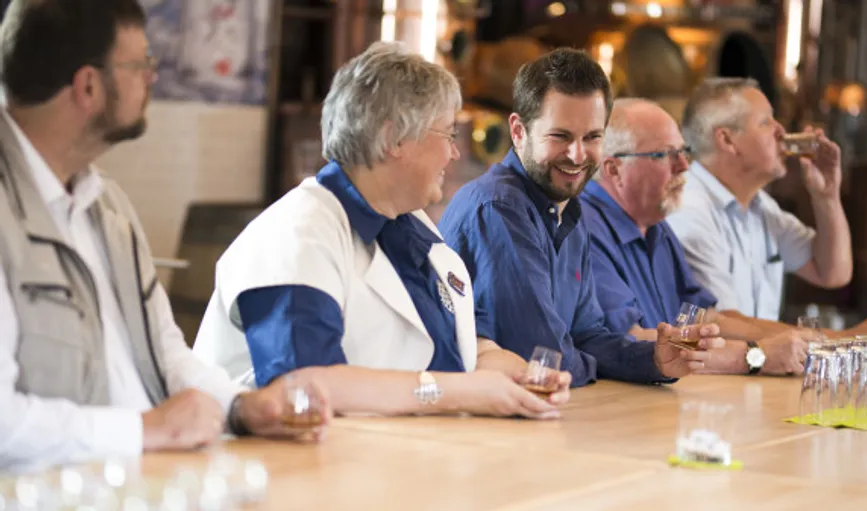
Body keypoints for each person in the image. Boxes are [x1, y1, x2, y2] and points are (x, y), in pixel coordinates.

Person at [0, 0, 329, 473]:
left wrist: (242, 406)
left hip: (145, 479)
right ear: (88, 86)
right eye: (140, 65)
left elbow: (164, 351)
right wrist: (146, 430)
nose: (152, 78)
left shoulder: (107, 204)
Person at [193, 42, 571, 420]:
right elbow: (303, 385)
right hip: (292, 467)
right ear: (394, 140)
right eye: (448, 134)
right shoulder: (297, 235)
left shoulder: (411, 225)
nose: (454, 154)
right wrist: (458, 392)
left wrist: (512, 374)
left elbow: (454, 353)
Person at [437, 48, 724, 387]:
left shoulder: (569, 209)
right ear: (518, 131)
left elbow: (588, 335)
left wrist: (654, 360)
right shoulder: (499, 207)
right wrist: (592, 363)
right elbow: (543, 356)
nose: (576, 155)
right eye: (560, 136)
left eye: (592, 137)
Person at [582, 98, 826, 376]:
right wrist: (757, 355)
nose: (684, 166)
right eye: (664, 155)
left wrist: (810, 340)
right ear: (614, 169)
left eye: (683, 152)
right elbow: (631, 341)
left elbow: (706, 317)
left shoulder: (656, 226)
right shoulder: (584, 229)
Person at [665, 78, 867, 335]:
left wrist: (826, 196)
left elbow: (832, 272)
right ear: (728, 140)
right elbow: (721, 323)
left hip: (753, 372)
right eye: (766, 122)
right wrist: (841, 340)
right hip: (710, 373)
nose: (782, 132)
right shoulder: (687, 207)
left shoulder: (761, 207)